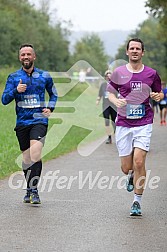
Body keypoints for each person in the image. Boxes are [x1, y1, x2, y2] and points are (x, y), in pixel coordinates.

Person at [107, 38, 164, 216]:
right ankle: (131, 174)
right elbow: (110, 92)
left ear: (142, 52)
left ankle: (136, 202)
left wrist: (157, 96)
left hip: (144, 122)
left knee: (139, 161)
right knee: (126, 167)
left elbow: (160, 92)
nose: (134, 51)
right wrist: (116, 100)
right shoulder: (119, 72)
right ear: (127, 52)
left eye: (138, 48)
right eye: (131, 48)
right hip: (123, 123)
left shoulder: (151, 73)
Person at [1, 43, 58, 204]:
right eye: (23, 55)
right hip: (22, 123)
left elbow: (53, 94)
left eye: (28, 54)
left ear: (34, 57)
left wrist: (50, 107)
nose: (26, 57)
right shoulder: (13, 78)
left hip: (39, 120)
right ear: (20, 58)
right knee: (26, 159)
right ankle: (29, 188)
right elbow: (4, 100)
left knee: (35, 154)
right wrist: (15, 91)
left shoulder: (44, 76)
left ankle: (34, 190)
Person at [96, 70, 117, 144]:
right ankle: (109, 137)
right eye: (107, 76)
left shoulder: (116, 85)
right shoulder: (103, 85)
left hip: (114, 105)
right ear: (105, 77)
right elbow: (100, 94)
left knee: (115, 121)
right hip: (105, 106)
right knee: (107, 122)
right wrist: (98, 100)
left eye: (110, 76)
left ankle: (117, 135)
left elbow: (119, 94)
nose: (109, 77)